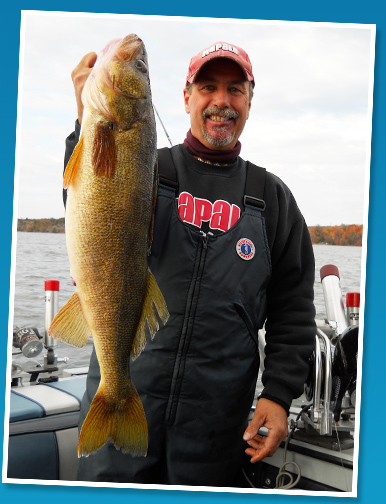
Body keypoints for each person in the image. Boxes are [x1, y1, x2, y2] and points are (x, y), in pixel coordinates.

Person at [64, 41, 316, 486]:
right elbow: (88, 213)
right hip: (123, 397)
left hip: (215, 433)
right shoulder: (144, 165)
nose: (221, 101)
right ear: (185, 97)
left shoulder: (273, 199)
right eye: (208, 87)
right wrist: (87, 126)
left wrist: (278, 395)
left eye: (235, 89)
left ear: (250, 102)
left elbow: (293, 307)